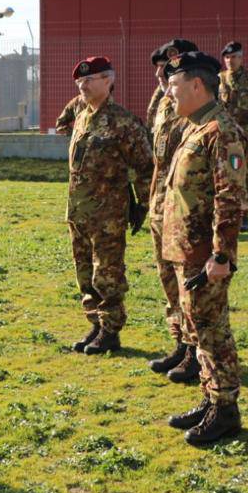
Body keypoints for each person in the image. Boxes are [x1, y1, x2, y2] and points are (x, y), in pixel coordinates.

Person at [159, 52, 248, 445]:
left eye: (175, 85)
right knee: (197, 331)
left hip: (204, 255)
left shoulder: (220, 130)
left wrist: (221, 255)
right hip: (185, 249)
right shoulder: (194, 126)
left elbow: (231, 197)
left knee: (213, 332)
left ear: (197, 85)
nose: (169, 93)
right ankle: (210, 399)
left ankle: (226, 409)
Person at [67, 56, 153, 355]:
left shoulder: (123, 122)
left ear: (109, 80)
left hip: (108, 213)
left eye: (90, 80)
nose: (83, 85)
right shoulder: (81, 116)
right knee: (84, 273)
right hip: (79, 211)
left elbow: (145, 167)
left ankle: (111, 330)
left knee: (107, 273)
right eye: (80, 81)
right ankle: (95, 323)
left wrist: (143, 205)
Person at [145, 39, 202, 384]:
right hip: (160, 203)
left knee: (187, 284)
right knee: (168, 281)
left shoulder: (198, 103)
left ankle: (196, 352)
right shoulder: (162, 101)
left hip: (183, 207)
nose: (161, 74)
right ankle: (180, 344)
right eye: (159, 68)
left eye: (169, 69)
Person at [218, 41, 248, 231]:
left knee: (245, 175)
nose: (232, 60)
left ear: (242, 58)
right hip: (225, 137)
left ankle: (244, 215)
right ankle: (227, 213)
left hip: (247, 136)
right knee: (226, 174)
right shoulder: (219, 80)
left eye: (235, 56)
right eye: (228, 57)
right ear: (224, 59)